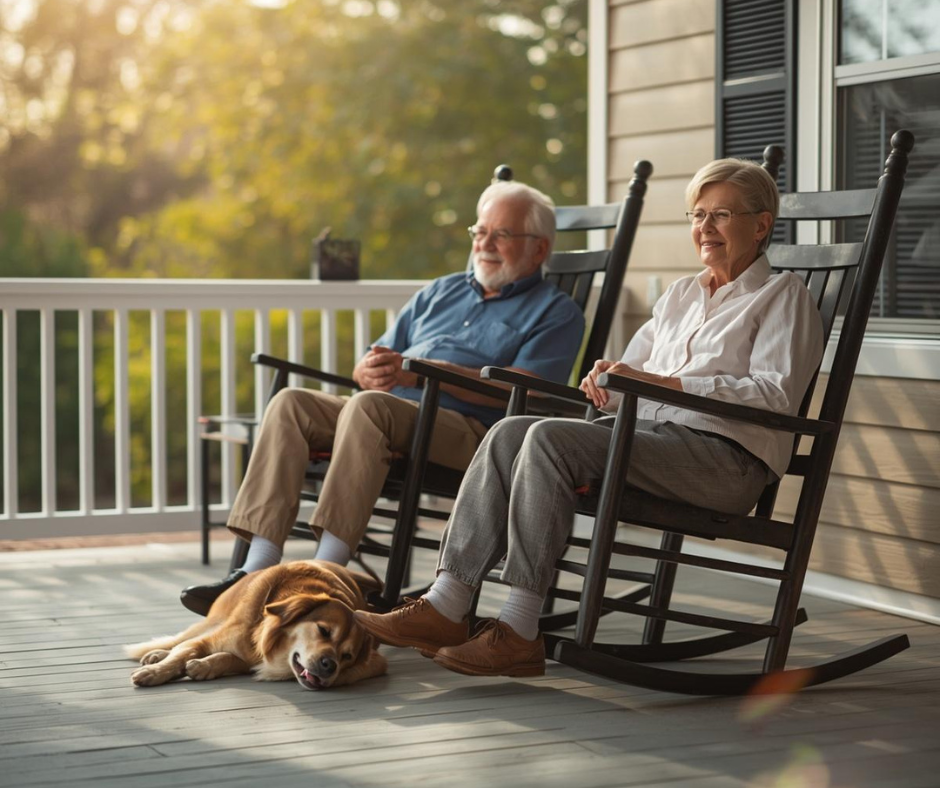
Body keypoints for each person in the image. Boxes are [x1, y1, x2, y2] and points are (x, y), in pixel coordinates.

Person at [355, 157, 825, 678]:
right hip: (650, 441)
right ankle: (448, 602)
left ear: (760, 225)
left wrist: (661, 385)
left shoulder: (783, 296)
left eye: (720, 215)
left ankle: (519, 627)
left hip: (726, 461)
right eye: (697, 215)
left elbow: (774, 395)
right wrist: (607, 381)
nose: (704, 228)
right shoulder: (681, 296)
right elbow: (632, 380)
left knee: (551, 439)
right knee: (511, 432)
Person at [180, 180, 585, 615]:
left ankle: (325, 576)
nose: (484, 244)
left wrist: (432, 377)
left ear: (539, 250)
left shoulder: (556, 311)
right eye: (480, 231)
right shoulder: (440, 291)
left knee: (369, 407)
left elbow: (524, 391)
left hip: (472, 433)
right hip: (386, 412)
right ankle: (254, 572)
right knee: (291, 403)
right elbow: (370, 363)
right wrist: (366, 370)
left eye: (502, 234)